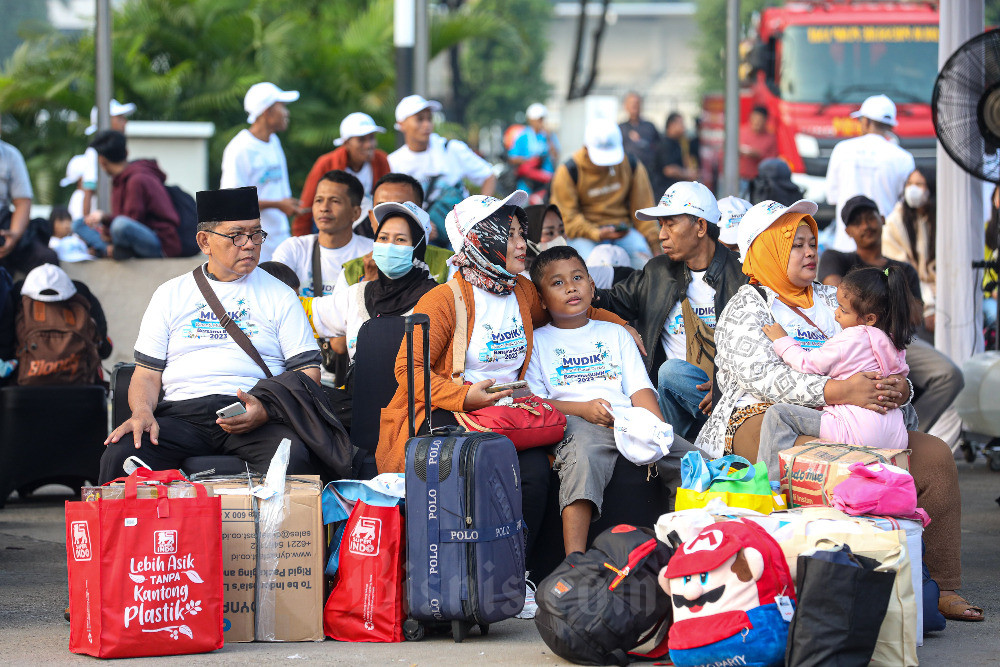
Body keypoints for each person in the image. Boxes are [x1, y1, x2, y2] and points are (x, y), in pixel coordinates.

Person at [700, 197, 982, 622]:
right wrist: (841, 390)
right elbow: (765, 379)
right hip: (766, 416)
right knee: (828, 457)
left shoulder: (837, 297)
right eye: (795, 244)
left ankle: (942, 586)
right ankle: (820, 586)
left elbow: (889, 349)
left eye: (812, 242)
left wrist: (897, 388)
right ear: (764, 249)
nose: (810, 251)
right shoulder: (749, 305)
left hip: (858, 417)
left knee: (936, 456)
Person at [375, 191, 631, 568]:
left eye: (519, 233)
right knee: (480, 468)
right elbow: (407, 371)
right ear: (481, 238)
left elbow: (572, 309)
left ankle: (515, 575)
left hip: (511, 416)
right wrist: (464, 396)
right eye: (508, 235)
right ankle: (460, 572)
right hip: (453, 412)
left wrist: (620, 324)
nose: (521, 244)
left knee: (533, 476)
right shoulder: (443, 300)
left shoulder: (523, 290)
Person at [99, 186, 329, 484]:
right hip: (182, 416)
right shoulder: (170, 294)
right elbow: (145, 374)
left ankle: (280, 533)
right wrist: (142, 412)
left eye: (256, 234)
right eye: (237, 235)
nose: (249, 245)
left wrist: (266, 410)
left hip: (255, 414)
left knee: (294, 458)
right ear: (204, 241)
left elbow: (307, 372)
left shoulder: (280, 295)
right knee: (122, 454)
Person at [525, 245, 668, 555]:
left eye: (578, 278)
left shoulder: (614, 333)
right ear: (540, 297)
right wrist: (583, 410)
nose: (571, 287)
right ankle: (575, 561)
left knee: (689, 458)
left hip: (626, 419)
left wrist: (657, 427)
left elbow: (639, 389)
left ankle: (691, 547)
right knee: (584, 457)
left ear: (592, 285)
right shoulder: (537, 341)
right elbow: (537, 402)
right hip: (573, 421)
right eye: (558, 282)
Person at [593, 181, 745, 441]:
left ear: (700, 226)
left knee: (672, 372)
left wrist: (725, 386)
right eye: (660, 225)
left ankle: (678, 454)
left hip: (727, 397)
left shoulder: (743, 276)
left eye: (670, 223)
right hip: (673, 399)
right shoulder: (657, 272)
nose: (662, 234)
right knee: (671, 374)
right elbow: (609, 301)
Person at [818, 195, 963, 433]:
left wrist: (879, 290)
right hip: (852, 342)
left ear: (882, 219)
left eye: (870, 218)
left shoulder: (903, 269)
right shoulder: (837, 257)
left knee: (950, 376)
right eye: (857, 222)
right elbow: (832, 291)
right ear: (848, 231)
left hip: (895, 341)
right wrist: (887, 294)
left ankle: (911, 432)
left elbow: (915, 315)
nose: (866, 225)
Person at [762, 265, 913, 450]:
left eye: (843, 310)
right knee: (909, 411)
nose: (836, 314)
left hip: (853, 432)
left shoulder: (852, 337)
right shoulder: (894, 340)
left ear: (870, 318)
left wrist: (783, 340)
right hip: (895, 437)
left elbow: (806, 364)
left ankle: (771, 479)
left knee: (778, 415)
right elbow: (900, 379)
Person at [309, 201, 437, 361]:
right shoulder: (358, 294)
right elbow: (301, 312)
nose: (389, 245)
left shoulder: (437, 300)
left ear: (418, 247)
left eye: (400, 240)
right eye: (383, 238)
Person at [549, 118, 657, 268]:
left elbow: (644, 210)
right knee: (591, 271)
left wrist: (655, 245)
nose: (606, 165)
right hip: (585, 235)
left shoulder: (631, 165)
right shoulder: (569, 171)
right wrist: (596, 233)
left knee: (645, 265)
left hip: (623, 233)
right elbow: (567, 217)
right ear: (585, 148)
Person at [388, 94, 495, 241]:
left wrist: (481, 216)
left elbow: (488, 175)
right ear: (401, 124)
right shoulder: (394, 162)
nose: (427, 124)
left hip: (459, 239)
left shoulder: (451, 149)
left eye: (429, 118)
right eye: (419, 119)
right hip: (417, 242)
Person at [221, 82, 303, 261]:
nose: (287, 113)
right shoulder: (240, 148)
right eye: (282, 107)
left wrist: (289, 205)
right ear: (267, 112)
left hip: (279, 237)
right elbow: (232, 199)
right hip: (253, 243)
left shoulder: (274, 141)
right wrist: (278, 204)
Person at [825, 94, 915, 252]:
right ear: (891, 126)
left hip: (846, 247)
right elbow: (905, 205)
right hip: (884, 248)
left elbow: (832, 197)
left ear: (865, 121)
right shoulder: (904, 158)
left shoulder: (842, 149)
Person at [336, 173, 453, 288]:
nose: (391, 218)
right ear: (371, 218)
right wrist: (367, 286)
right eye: (382, 208)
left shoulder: (449, 265)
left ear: (421, 216)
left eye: (402, 208)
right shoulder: (350, 273)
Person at [272, 170, 372, 298]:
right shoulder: (294, 249)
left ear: (356, 213)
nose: (324, 208)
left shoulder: (370, 254)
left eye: (335, 201)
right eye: (319, 200)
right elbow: (274, 298)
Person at [85, 130, 181, 259]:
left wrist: (106, 220)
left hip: (160, 243)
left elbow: (132, 222)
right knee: (79, 224)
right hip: (132, 234)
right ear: (126, 153)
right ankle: (111, 250)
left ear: (101, 160)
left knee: (120, 225)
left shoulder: (137, 179)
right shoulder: (120, 179)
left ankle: (109, 250)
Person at [292, 112, 390, 237]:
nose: (369, 144)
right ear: (346, 143)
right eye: (361, 140)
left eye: (371, 138)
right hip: (330, 226)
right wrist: (301, 240)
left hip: (369, 227)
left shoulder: (381, 160)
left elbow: (388, 202)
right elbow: (307, 205)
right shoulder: (326, 163)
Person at [0, 118, 59, 274]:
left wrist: (14, 236)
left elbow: (22, 202)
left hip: (4, 224)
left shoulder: (10, 155)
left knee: (46, 259)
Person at [883, 167, 937, 332]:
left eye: (919, 184)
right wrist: (929, 306)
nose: (913, 189)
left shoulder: (940, 218)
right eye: (910, 183)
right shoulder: (895, 221)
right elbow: (903, 271)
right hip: (913, 297)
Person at [508, 103, 559, 194]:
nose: (541, 122)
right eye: (539, 119)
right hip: (527, 184)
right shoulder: (523, 136)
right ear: (531, 120)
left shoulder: (549, 135)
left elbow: (555, 155)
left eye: (542, 119)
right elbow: (512, 158)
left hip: (546, 181)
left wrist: (549, 138)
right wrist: (529, 161)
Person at [619, 92, 660, 182]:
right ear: (625, 106)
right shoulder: (620, 128)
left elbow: (659, 147)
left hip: (649, 174)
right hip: (626, 174)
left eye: (637, 103)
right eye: (631, 103)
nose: (634, 106)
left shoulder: (649, 126)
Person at [653, 112, 697, 195]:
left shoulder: (679, 142)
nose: (683, 127)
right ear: (671, 125)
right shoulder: (665, 144)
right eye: (681, 123)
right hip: (664, 193)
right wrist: (687, 174)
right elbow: (668, 170)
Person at [738, 106, 777, 194]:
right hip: (740, 178)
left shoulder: (770, 138)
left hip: (759, 181)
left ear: (765, 121)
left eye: (759, 120)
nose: (756, 123)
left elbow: (772, 161)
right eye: (754, 119)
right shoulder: (741, 132)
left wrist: (758, 155)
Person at [523, 203, 565, 273]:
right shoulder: (521, 280)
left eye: (562, 231)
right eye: (550, 233)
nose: (560, 238)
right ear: (529, 237)